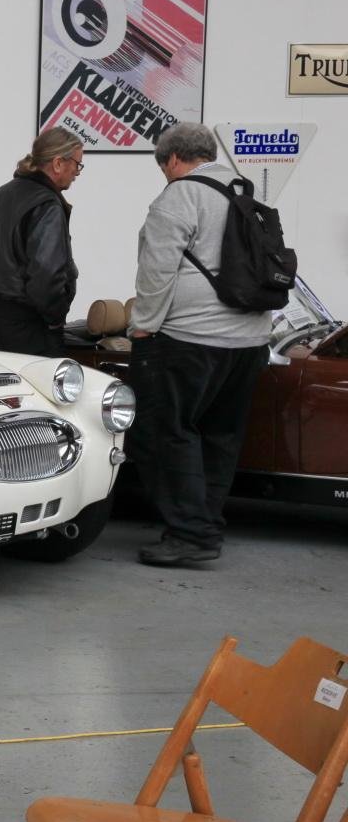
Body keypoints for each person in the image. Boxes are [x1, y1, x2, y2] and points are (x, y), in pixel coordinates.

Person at [129, 122, 271, 567]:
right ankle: (204, 525)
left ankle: (190, 534)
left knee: (168, 432)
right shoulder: (246, 192)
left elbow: (157, 270)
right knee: (220, 435)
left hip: (190, 338)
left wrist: (143, 327)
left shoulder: (180, 195)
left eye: (163, 166)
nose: (165, 174)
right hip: (250, 340)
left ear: (173, 159)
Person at [0, 127, 84, 355]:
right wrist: (55, 320)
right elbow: (47, 273)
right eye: (77, 164)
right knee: (41, 380)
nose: (77, 172)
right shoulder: (46, 204)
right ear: (58, 163)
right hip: (30, 324)